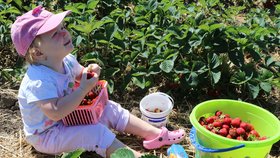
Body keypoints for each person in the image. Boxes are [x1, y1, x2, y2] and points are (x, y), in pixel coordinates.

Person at [11, 6, 186, 158]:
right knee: (95, 134)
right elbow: (55, 113)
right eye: (55, 33)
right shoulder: (38, 82)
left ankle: (156, 135)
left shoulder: (67, 60)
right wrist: (81, 91)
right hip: (49, 135)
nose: (65, 32)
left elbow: (80, 74)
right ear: (38, 53)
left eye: (63, 27)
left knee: (109, 108)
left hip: (70, 118)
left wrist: (90, 72)